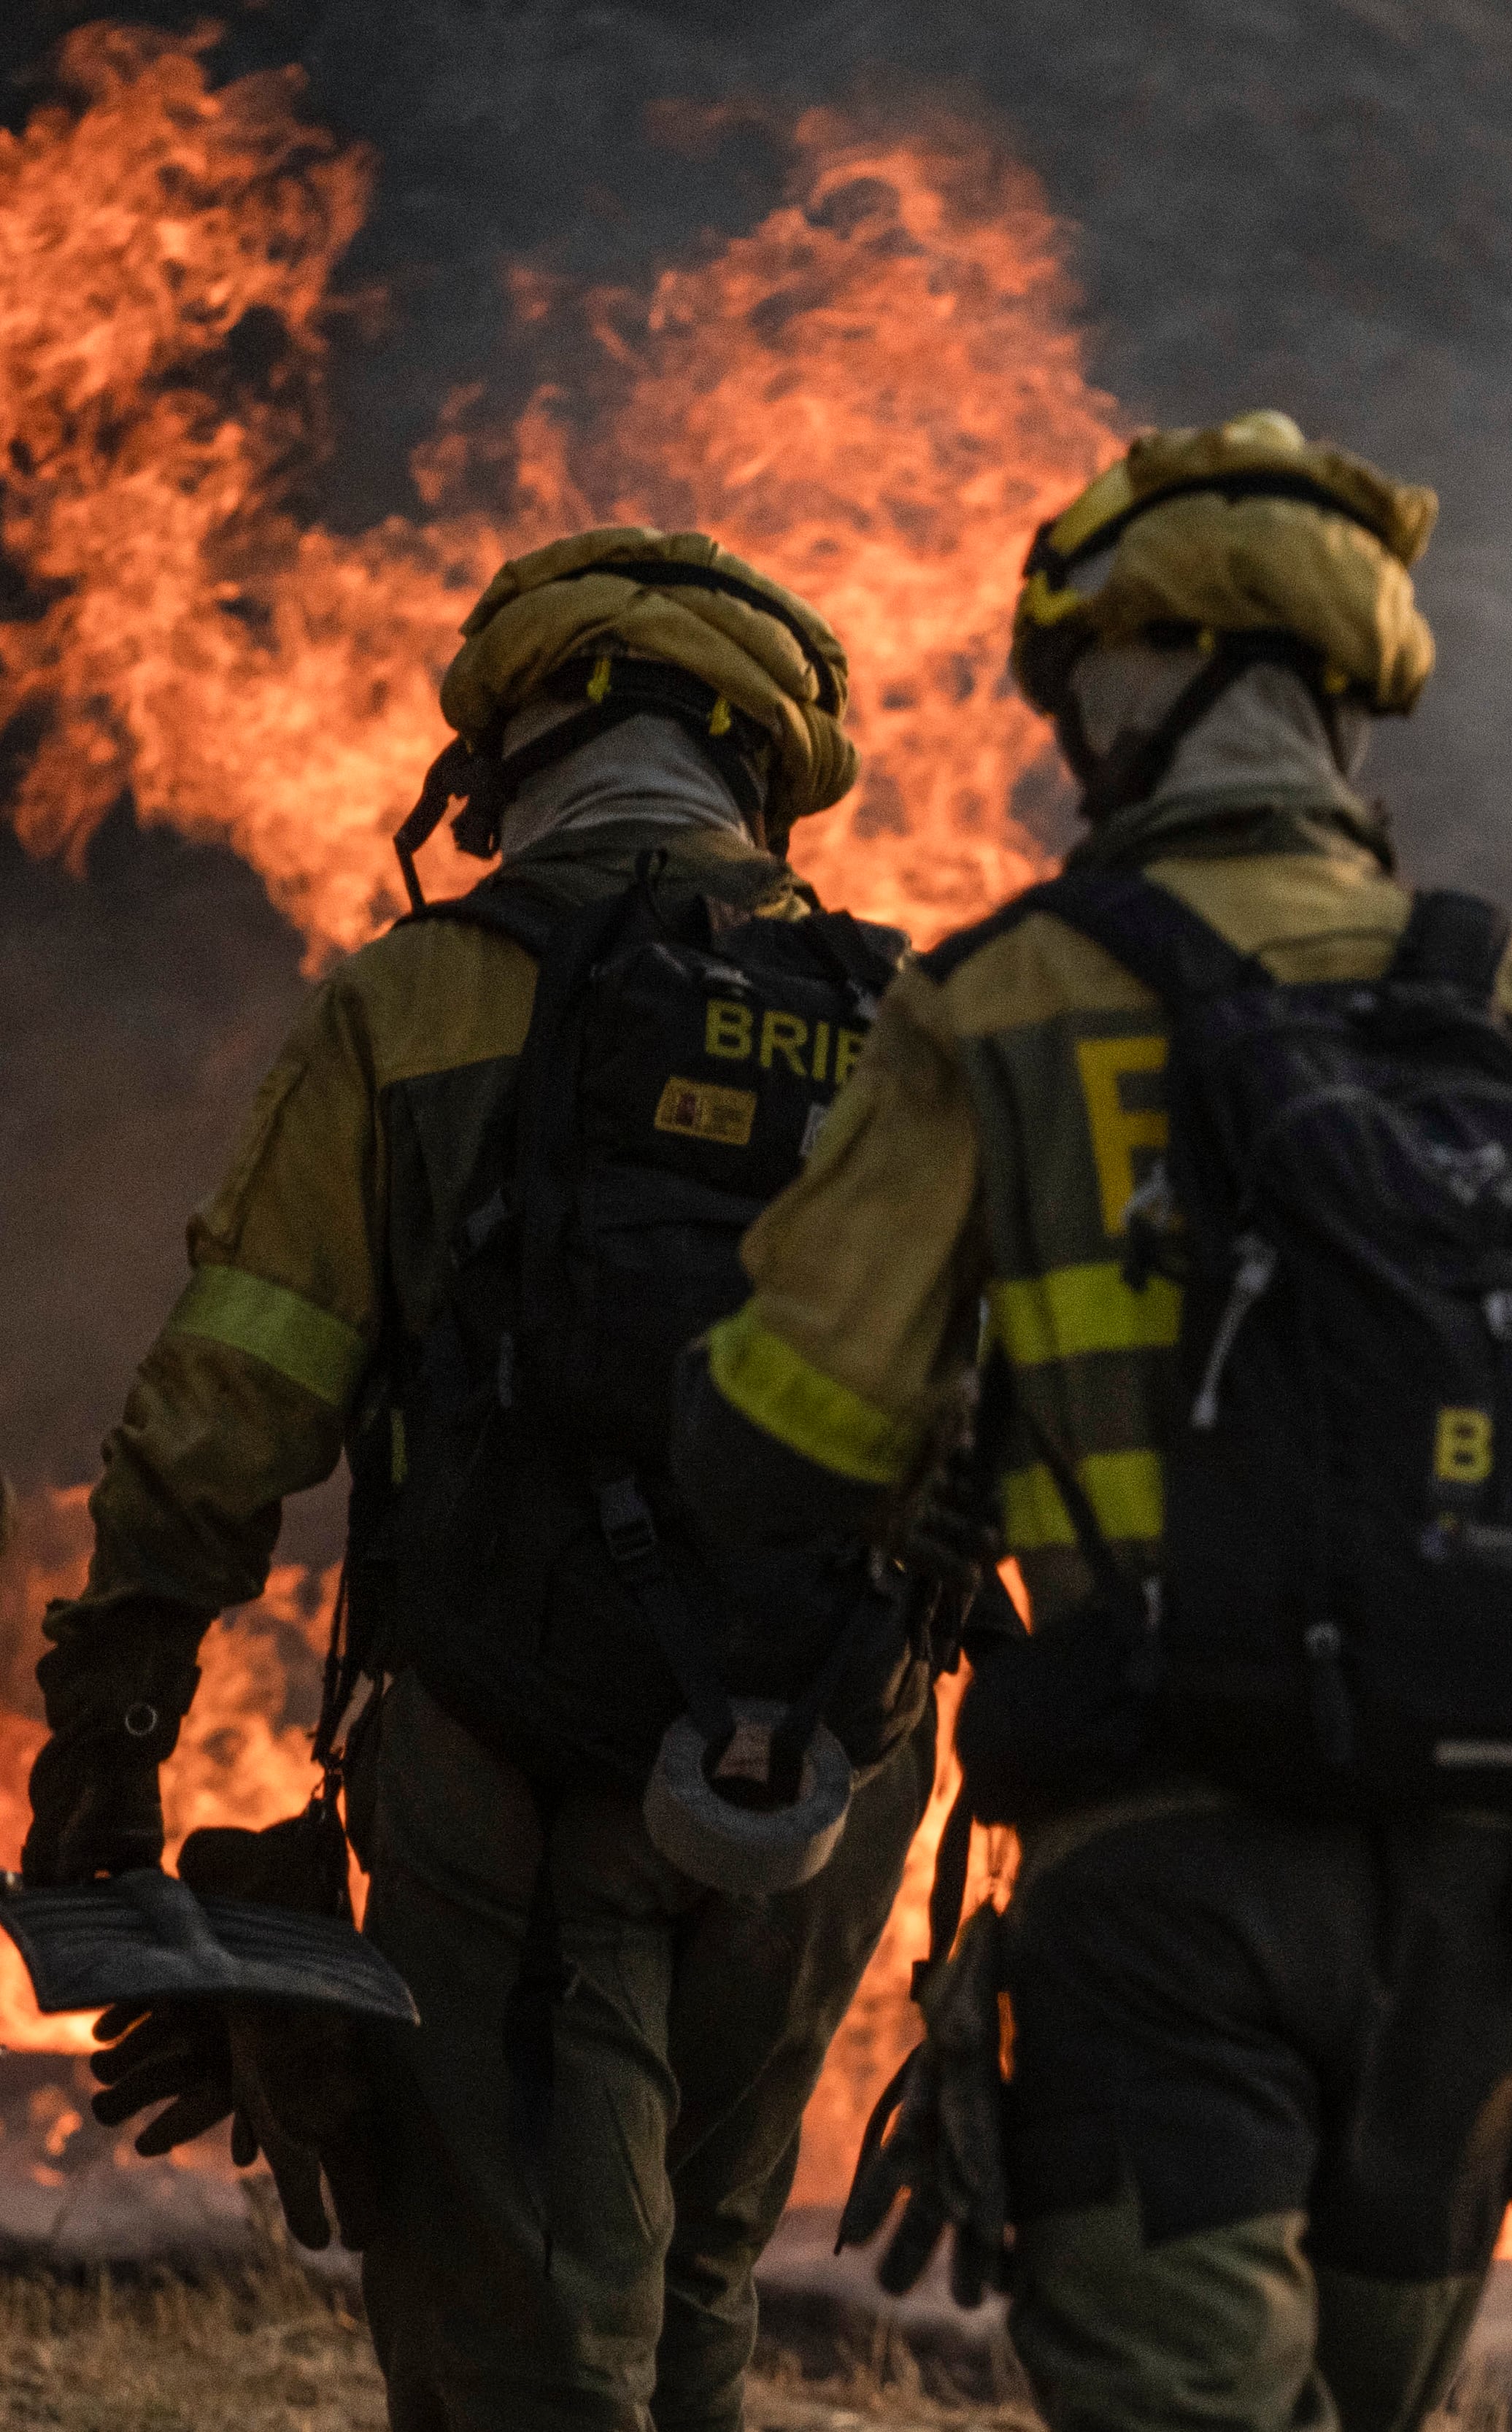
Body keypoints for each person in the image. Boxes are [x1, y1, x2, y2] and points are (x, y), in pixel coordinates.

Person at [672, 412, 1512, 2432]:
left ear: (1144, 682)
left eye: (1079, 693)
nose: (1069, 740)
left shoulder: (1003, 1009)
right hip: (1475, 1908)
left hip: (1165, 1887)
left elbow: (791, 1439)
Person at [20, 529, 938, 2431]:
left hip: (499, 1739)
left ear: (502, 764)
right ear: (771, 773)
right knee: (696, 2249)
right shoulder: (912, 1028)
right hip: (818, 1754)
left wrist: (116, 1708)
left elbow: (238, 1391)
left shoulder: (422, 996)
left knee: (504, 2281)